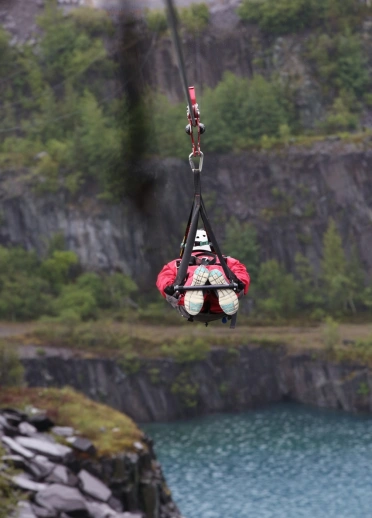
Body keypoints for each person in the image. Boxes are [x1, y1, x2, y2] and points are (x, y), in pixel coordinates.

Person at [156, 229, 250, 317]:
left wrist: (170, 287)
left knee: (174, 292)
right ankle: (221, 288)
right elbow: (241, 272)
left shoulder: (178, 263)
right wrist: (239, 282)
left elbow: (164, 278)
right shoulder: (225, 260)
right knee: (236, 287)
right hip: (219, 308)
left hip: (190, 308)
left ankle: (194, 288)